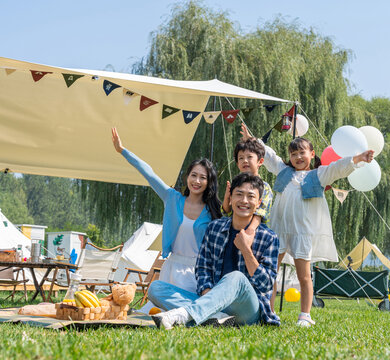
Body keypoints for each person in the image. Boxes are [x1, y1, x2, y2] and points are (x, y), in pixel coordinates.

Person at [241, 125, 374, 327]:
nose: (298, 157)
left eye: (302, 152)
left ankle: (305, 314)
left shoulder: (319, 175)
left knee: (304, 276)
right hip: (278, 230)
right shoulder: (283, 171)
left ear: (312, 154)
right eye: (293, 154)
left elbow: (337, 168)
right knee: (271, 273)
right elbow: (269, 155)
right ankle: (268, 311)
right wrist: (252, 139)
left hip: (302, 233)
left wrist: (358, 158)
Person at [147, 172, 280, 329]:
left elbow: (266, 285)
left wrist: (246, 250)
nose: (244, 201)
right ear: (230, 198)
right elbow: (203, 267)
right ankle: (216, 317)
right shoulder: (215, 228)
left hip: (247, 309)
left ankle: (184, 315)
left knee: (236, 278)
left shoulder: (269, 237)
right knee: (156, 288)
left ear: (258, 203)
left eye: (250, 196)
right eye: (239, 194)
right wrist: (207, 292)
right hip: (214, 300)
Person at [111, 127, 222, 293]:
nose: (197, 180)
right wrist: (123, 151)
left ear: (209, 182)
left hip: (199, 273)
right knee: (157, 301)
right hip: (172, 269)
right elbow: (149, 173)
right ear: (187, 177)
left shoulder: (212, 211)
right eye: (193, 175)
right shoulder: (172, 199)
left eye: (203, 177)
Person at [221, 129, 274, 228]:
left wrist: (248, 234)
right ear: (237, 163)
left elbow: (260, 214)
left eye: (249, 157)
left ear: (260, 161)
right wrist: (227, 197)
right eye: (241, 158)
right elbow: (226, 212)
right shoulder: (235, 184)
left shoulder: (265, 187)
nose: (245, 161)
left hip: (255, 233)